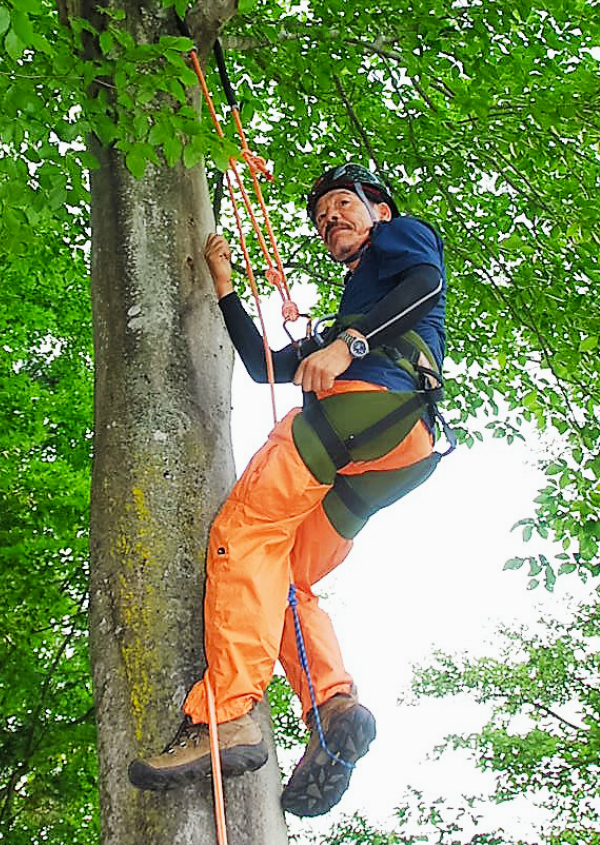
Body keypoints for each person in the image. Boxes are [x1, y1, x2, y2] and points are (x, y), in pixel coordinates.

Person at [128, 163, 449, 817]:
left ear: (379, 210)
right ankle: (330, 700)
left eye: (342, 204)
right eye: (322, 215)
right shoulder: (354, 307)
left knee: (246, 532)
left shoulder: (400, 240)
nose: (331, 218)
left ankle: (230, 712)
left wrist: (349, 346)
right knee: (284, 577)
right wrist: (225, 290)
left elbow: (427, 284)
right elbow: (261, 367)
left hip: (370, 403)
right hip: (400, 447)